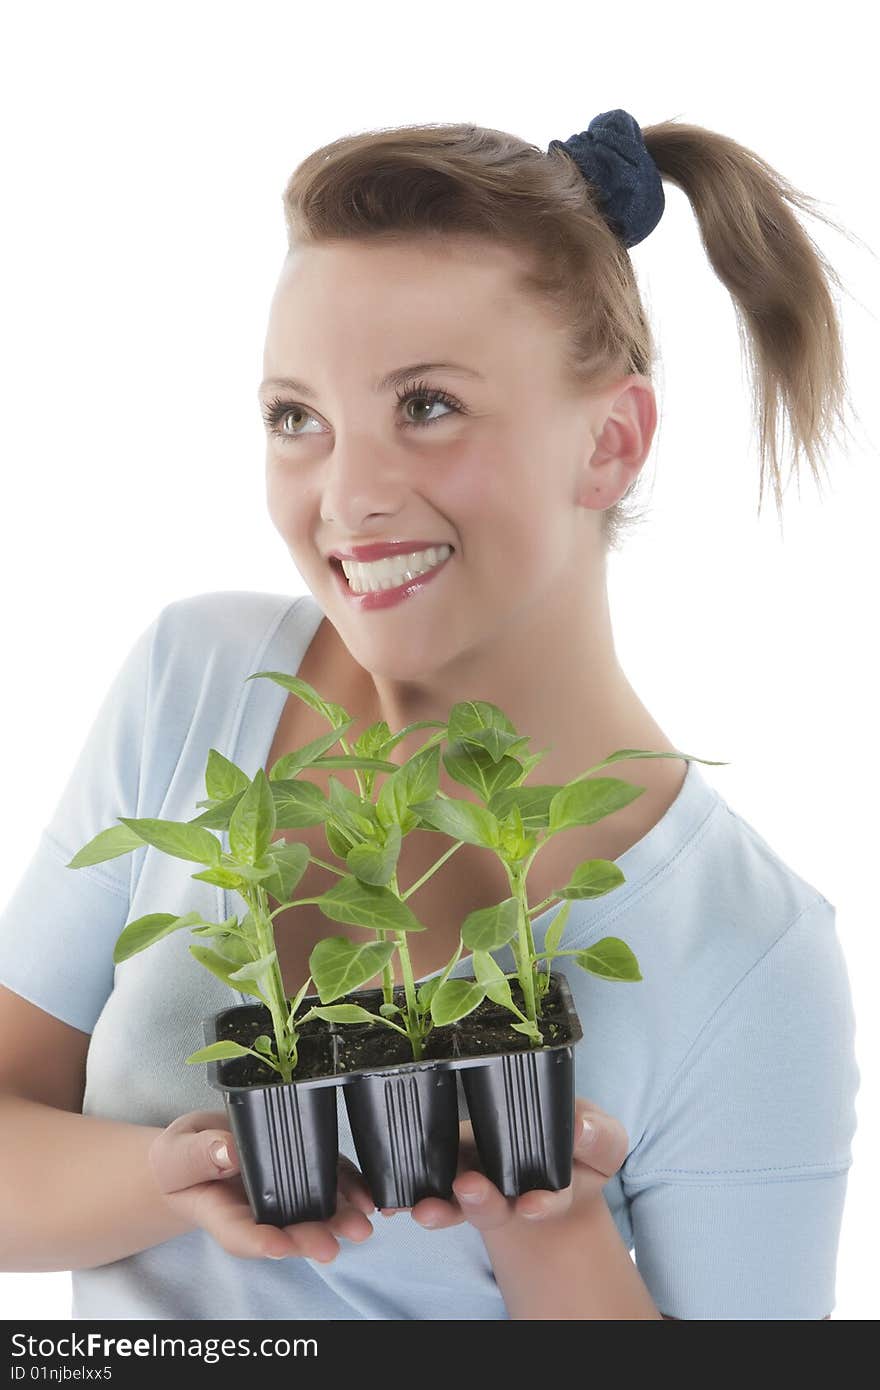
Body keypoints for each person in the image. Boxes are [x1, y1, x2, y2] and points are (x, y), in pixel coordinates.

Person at [0, 111, 860, 1320]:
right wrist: (175, 1171)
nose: (347, 499)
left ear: (610, 442)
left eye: (429, 406)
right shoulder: (198, 677)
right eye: (297, 417)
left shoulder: (750, 954)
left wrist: (546, 1224)